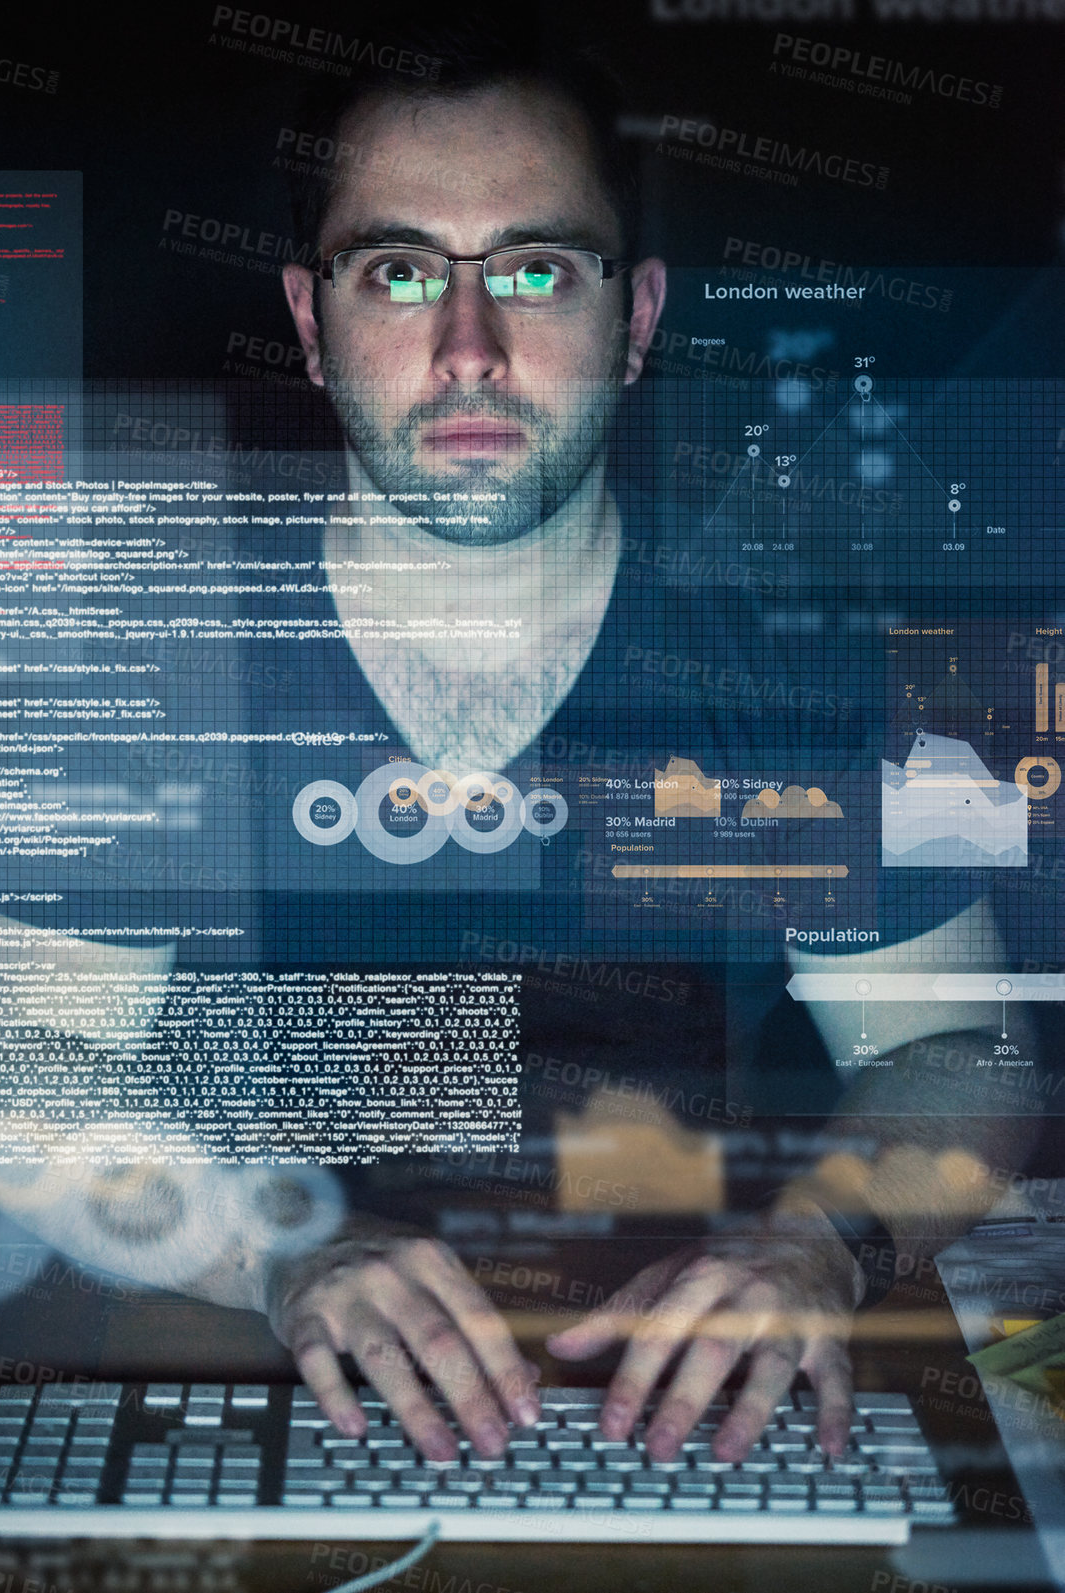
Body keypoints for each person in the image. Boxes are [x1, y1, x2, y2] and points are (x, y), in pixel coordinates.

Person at [229, 18, 1043, 1470]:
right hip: (215, 1366)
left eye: (535, 269)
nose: (467, 348)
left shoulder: (803, 659)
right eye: (400, 269)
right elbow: (8, 1067)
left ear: (638, 312)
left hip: (674, 1393)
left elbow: (969, 1049)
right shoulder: (141, 636)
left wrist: (821, 1248)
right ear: (309, 316)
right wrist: (274, 1248)